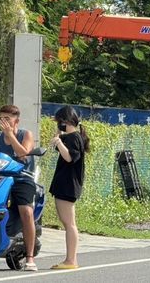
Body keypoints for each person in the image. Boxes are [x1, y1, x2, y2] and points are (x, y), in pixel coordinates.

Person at [0, 105, 38, 271]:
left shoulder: (25, 134)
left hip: (22, 179)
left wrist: (11, 136)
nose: (4, 122)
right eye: (1, 119)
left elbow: (23, 154)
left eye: (8, 119)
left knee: (26, 212)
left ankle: (30, 257)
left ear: (16, 121)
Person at [49, 106, 90, 270]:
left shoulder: (74, 138)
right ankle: (70, 259)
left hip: (68, 186)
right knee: (68, 223)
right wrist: (59, 139)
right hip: (65, 185)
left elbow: (69, 157)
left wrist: (59, 142)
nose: (58, 125)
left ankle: (71, 260)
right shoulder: (71, 136)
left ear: (65, 121)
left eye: (59, 122)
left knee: (69, 223)